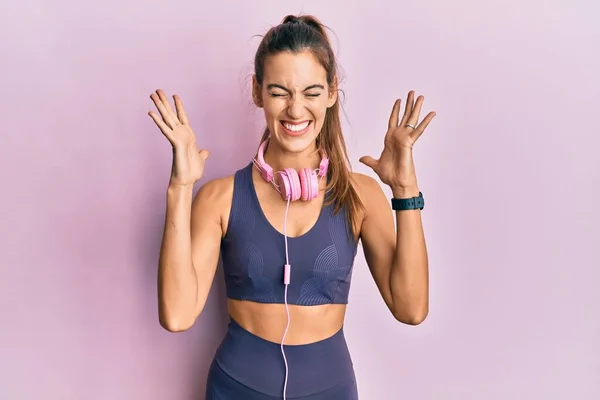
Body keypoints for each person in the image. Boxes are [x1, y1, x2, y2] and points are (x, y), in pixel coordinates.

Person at [148, 13, 435, 400]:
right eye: (280, 92)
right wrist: (180, 187)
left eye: (312, 93)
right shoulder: (219, 198)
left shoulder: (360, 195)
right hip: (235, 388)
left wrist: (405, 189)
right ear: (257, 91)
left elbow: (411, 308)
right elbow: (178, 316)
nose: (296, 110)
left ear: (332, 92)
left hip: (330, 390)